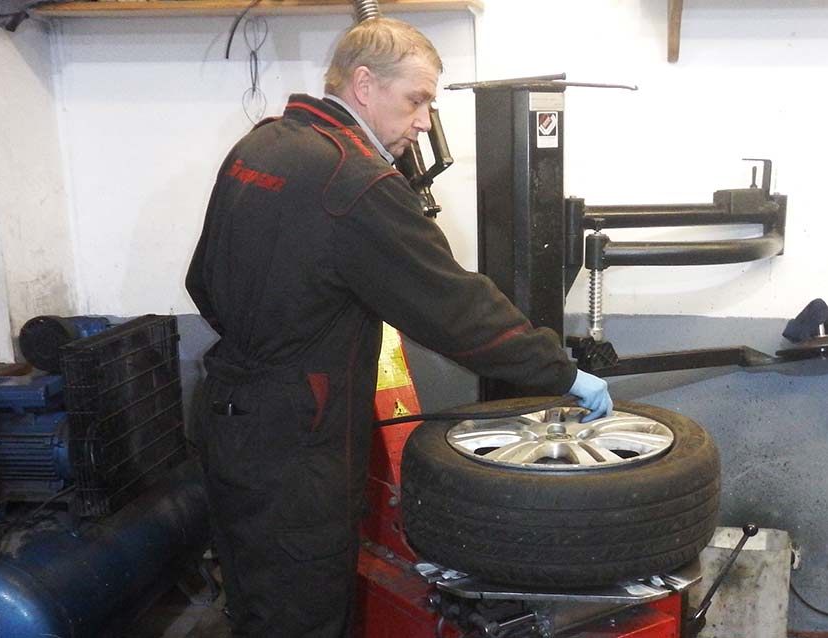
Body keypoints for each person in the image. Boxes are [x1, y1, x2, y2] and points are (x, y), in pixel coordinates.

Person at [185, 16, 612, 638]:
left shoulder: (263, 145)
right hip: (298, 439)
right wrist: (562, 371)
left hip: (228, 414)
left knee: (255, 596)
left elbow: (204, 281)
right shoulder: (355, 183)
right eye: (416, 101)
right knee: (305, 611)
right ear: (364, 84)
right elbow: (455, 308)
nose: (422, 122)